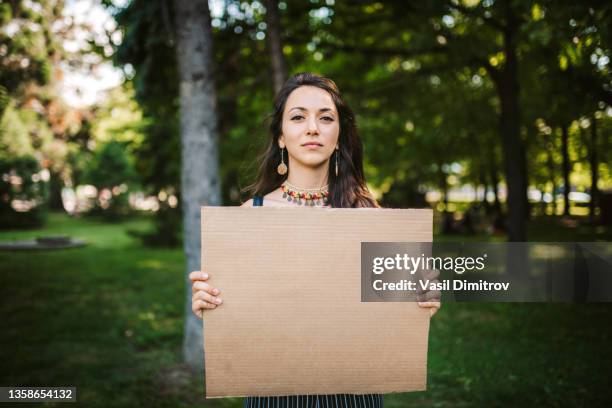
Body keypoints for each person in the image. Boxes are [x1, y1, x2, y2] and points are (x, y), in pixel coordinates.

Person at [190, 72, 440, 408]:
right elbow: (240, 310)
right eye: (297, 117)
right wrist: (210, 302)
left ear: (338, 136)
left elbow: (395, 302)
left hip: (353, 393)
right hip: (273, 393)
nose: (312, 128)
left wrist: (421, 298)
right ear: (281, 136)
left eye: (325, 118)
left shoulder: (367, 214)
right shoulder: (253, 214)